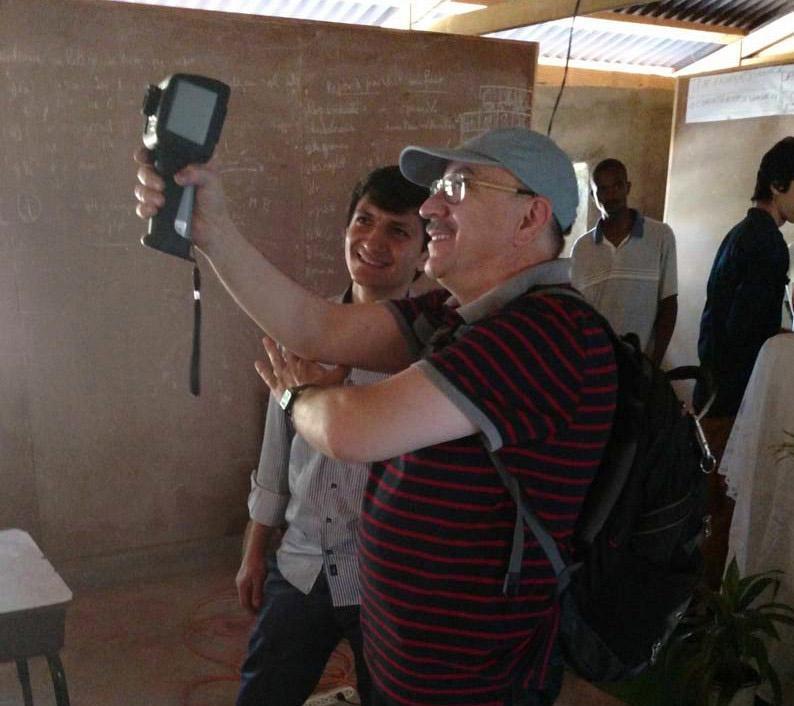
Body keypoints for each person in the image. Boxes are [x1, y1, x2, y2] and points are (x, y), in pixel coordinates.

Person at [134, 127, 617, 706]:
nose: (434, 206)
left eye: (458, 187)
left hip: (472, 681)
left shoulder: (544, 333)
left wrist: (295, 395)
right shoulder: (457, 314)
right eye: (439, 187)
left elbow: (348, 430)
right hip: (408, 656)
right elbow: (314, 326)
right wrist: (211, 232)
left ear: (530, 216)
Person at [234, 166, 429, 706]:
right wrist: (255, 551)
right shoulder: (303, 332)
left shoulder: (435, 352)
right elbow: (276, 457)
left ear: (423, 253)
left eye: (398, 230)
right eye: (364, 220)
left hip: (389, 581)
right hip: (303, 562)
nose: (373, 241)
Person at [693, 136, 794, 589]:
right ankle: (715, 619)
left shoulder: (742, 233)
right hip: (735, 399)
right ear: (778, 185)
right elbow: (747, 331)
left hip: (713, 391)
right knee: (728, 509)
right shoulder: (768, 244)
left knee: (713, 507)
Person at [570, 158, 678, 366]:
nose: (611, 195)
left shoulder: (660, 236)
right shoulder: (582, 248)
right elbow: (579, 313)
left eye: (618, 185)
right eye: (602, 189)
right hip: (596, 363)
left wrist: (653, 364)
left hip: (641, 363)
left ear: (627, 188)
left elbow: (668, 303)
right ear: (593, 196)